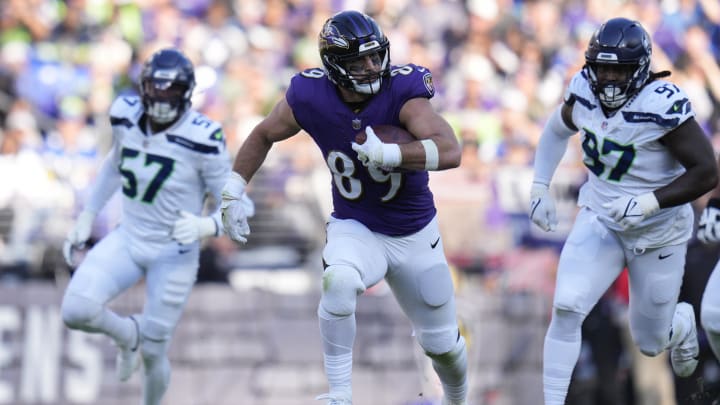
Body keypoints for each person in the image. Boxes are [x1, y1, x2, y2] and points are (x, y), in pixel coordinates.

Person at [220, 10, 467, 405]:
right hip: (357, 226)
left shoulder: (402, 92)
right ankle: (339, 394)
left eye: (374, 56)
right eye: (358, 61)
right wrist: (233, 189)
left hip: (415, 233)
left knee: (442, 346)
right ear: (335, 66)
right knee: (338, 281)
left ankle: (457, 400)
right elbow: (265, 133)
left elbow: (452, 150)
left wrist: (391, 153)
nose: (371, 67)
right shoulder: (310, 95)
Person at [528, 17, 718, 405]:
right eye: (604, 68)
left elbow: (707, 171)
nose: (610, 78)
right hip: (601, 217)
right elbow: (555, 129)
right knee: (566, 306)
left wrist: (649, 202)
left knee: (649, 343)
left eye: (620, 70)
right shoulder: (582, 89)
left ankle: (680, 324)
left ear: (641, 69)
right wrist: (539, 185)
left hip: (659, 229)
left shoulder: (660, 103)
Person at [59, 48, 252, 405]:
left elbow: (241, 206)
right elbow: (113, 165)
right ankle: (128, 334)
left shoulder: (203, 137)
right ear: (143, 87)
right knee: (75, 310)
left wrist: (206, 226)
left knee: (153, 354)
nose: (162, 98)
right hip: (128, 238)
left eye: (171, 90)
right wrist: (87, 216)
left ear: (187, 93)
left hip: (174, 254)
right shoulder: (124, 114)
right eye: (156, 88)